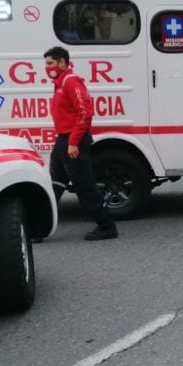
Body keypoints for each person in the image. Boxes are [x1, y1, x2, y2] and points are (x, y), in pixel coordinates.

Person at [45, 46, 117, 241]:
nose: (47, 67)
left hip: (73, 140)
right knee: (55, 182)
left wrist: (73, 142)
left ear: (62, 62)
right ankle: (41, 226)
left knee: (84, 185)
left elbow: (85, 113)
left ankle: (107, 226)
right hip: (63, 139)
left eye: (50, 63)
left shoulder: (71, 81)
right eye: (46, 64)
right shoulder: (59, 83)